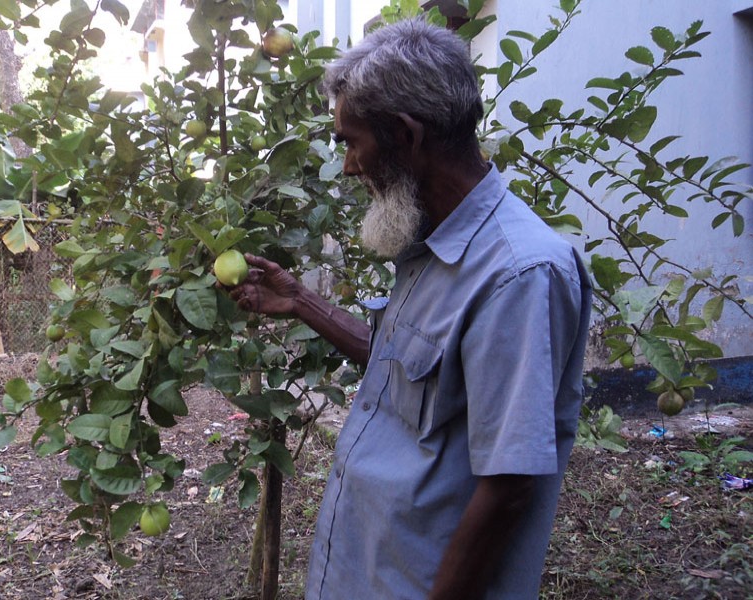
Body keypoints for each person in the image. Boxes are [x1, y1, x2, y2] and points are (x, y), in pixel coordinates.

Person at [228, 18, 592, 600]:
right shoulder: (430, 241)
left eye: (351, 141)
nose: (347, 165)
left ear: (405, 135)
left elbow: (510, 486)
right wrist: (301, 303)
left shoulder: (519, 274)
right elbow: (418, 370)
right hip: (369, 569)